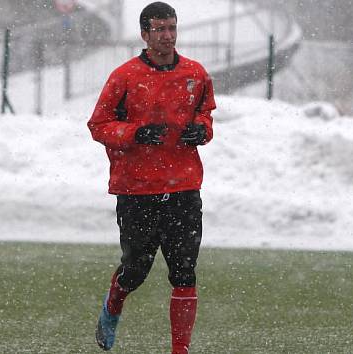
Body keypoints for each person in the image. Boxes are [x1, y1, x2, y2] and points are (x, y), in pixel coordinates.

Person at [87, 2, 215, 353]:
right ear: (144, 34)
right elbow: (98, 125)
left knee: (184, 272)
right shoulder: (124, 76)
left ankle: (180, 350)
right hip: (137, 189)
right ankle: (114, 303)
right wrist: (134, 133)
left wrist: (201, 130)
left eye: (171, 28)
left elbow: (205, 115)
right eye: (159, 29)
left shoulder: (196, 74)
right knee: (135, 270)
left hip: (184, 187)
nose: (167, 35)